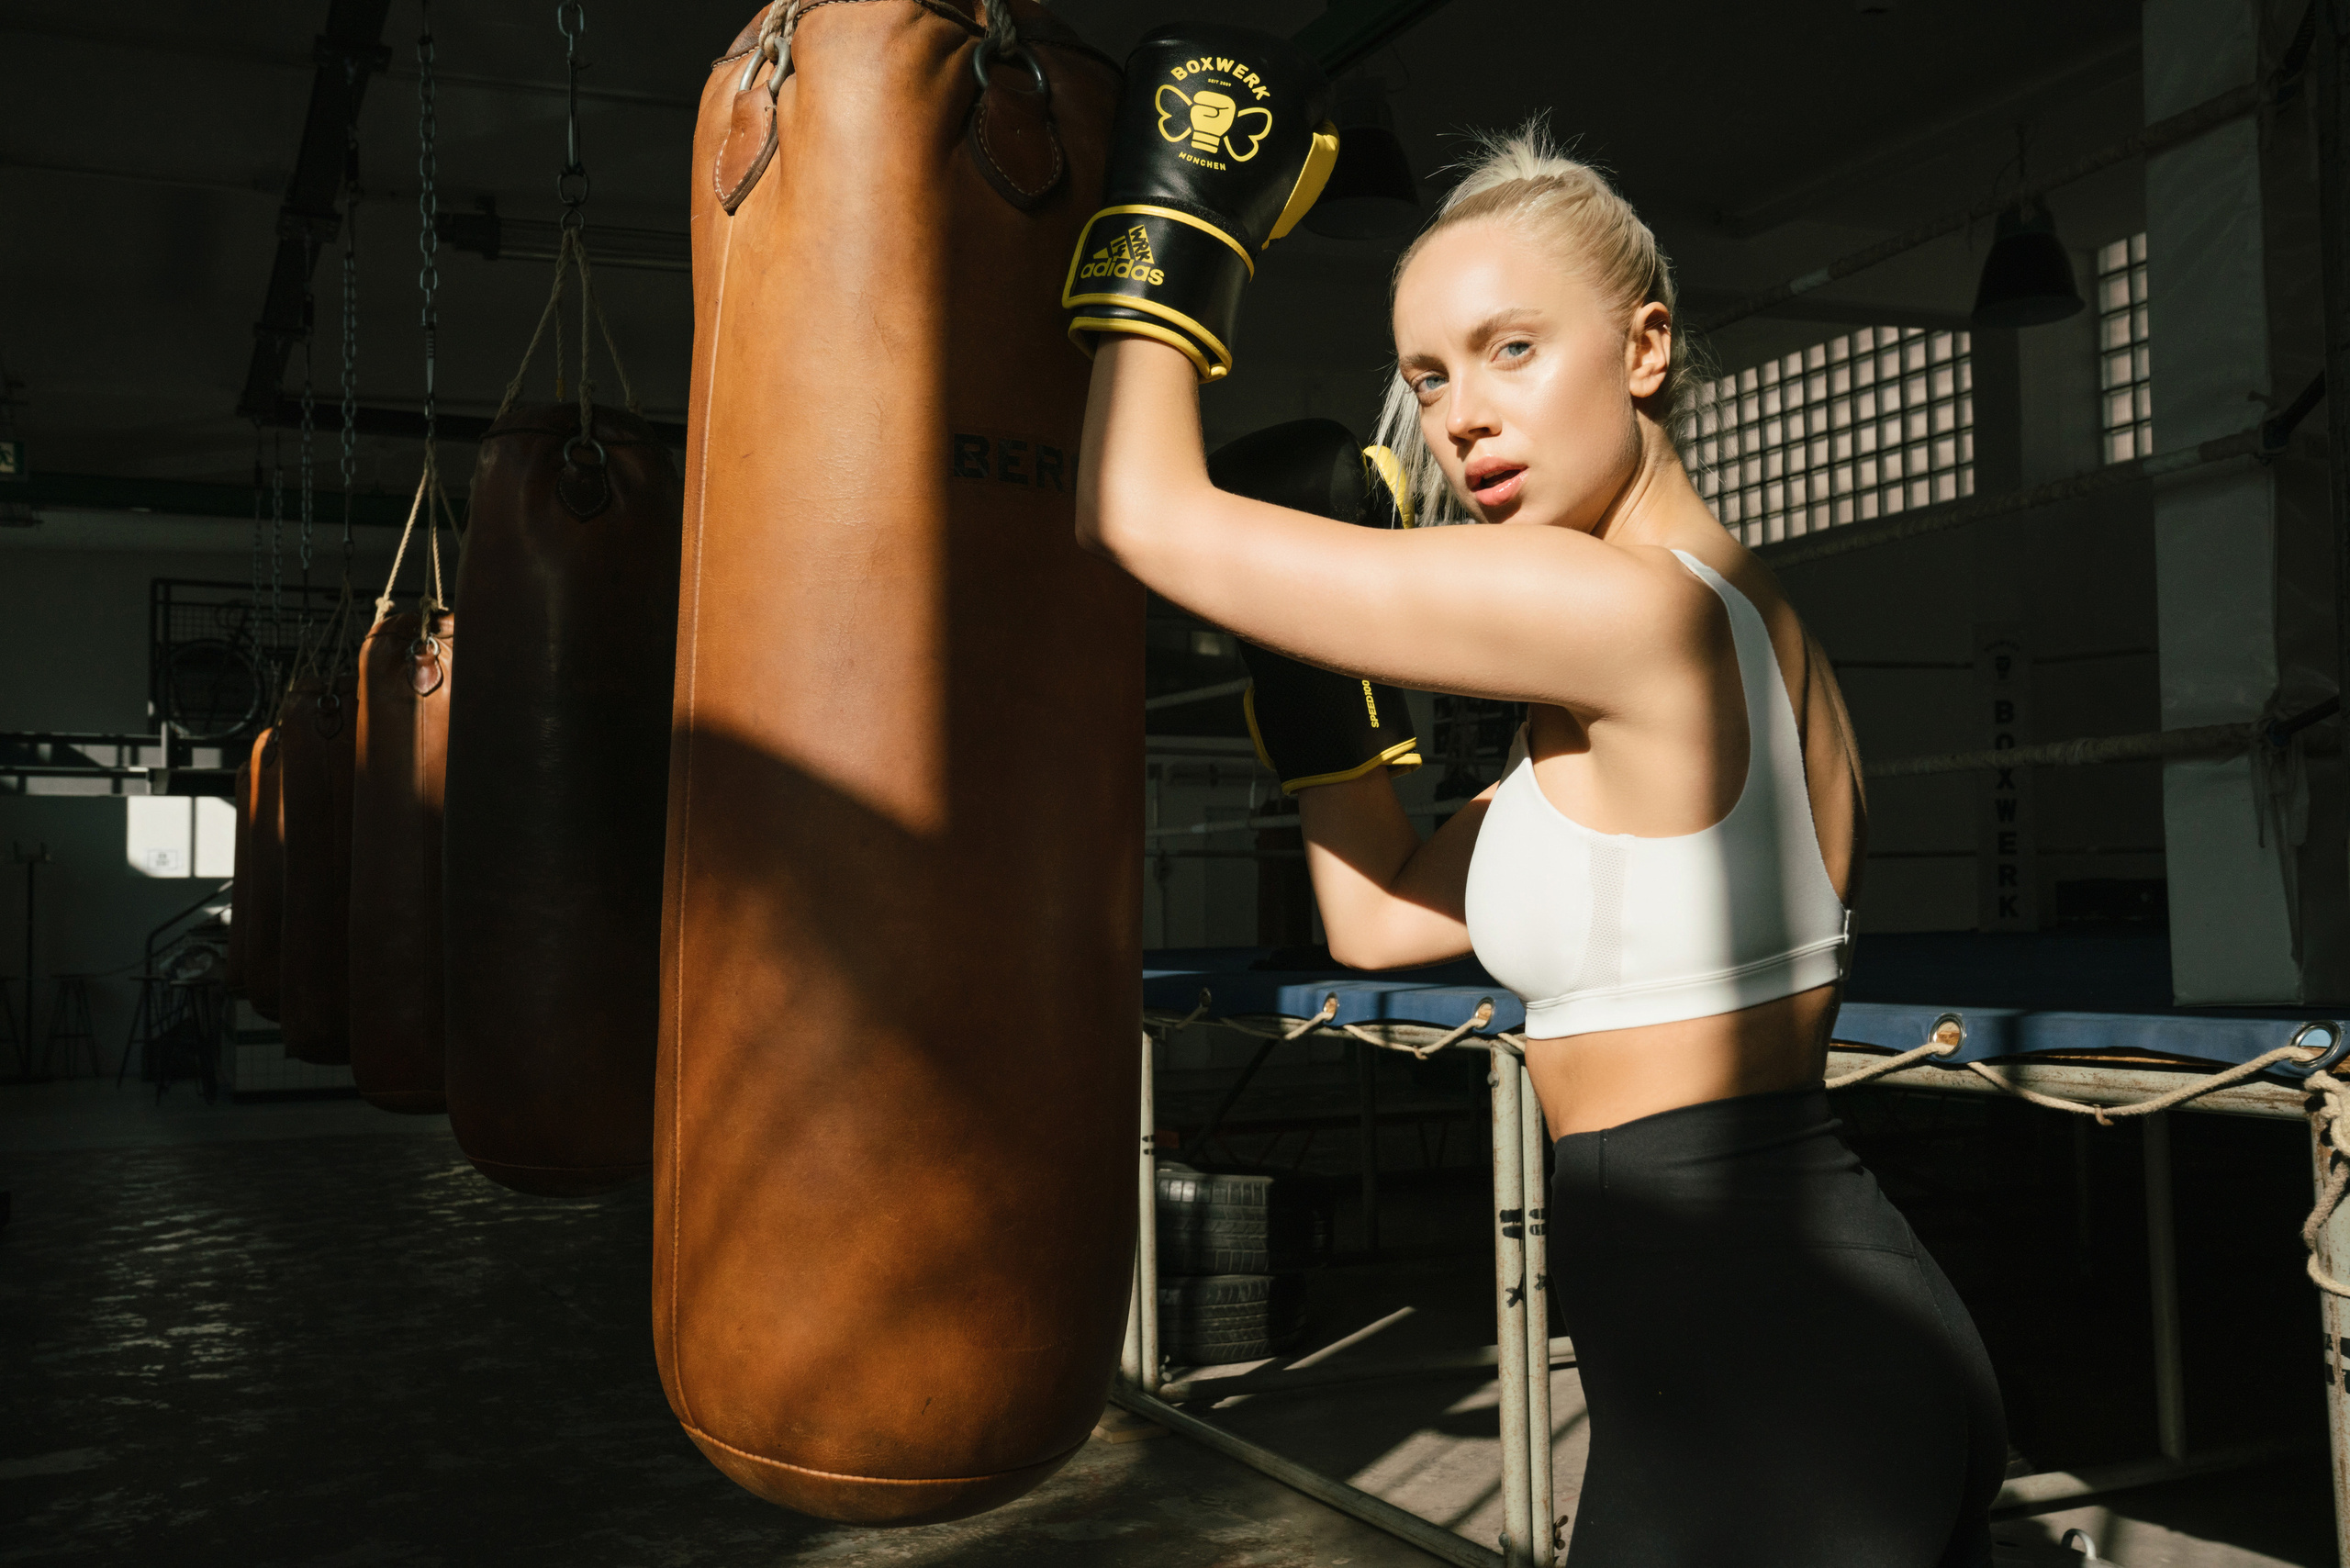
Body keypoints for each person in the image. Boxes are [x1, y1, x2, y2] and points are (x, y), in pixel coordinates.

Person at [1068, 24, 2008, 1567]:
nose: (1461, 416)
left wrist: (1169, 230)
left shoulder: (1620, 614)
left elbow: (1137, 512)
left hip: (1773, 1369)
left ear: (1644, 349)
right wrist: (1312, 687)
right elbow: (1378, 923)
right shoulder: (1699, 637)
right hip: (1763, 1349)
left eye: (1513, 349)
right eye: (1429, 376)